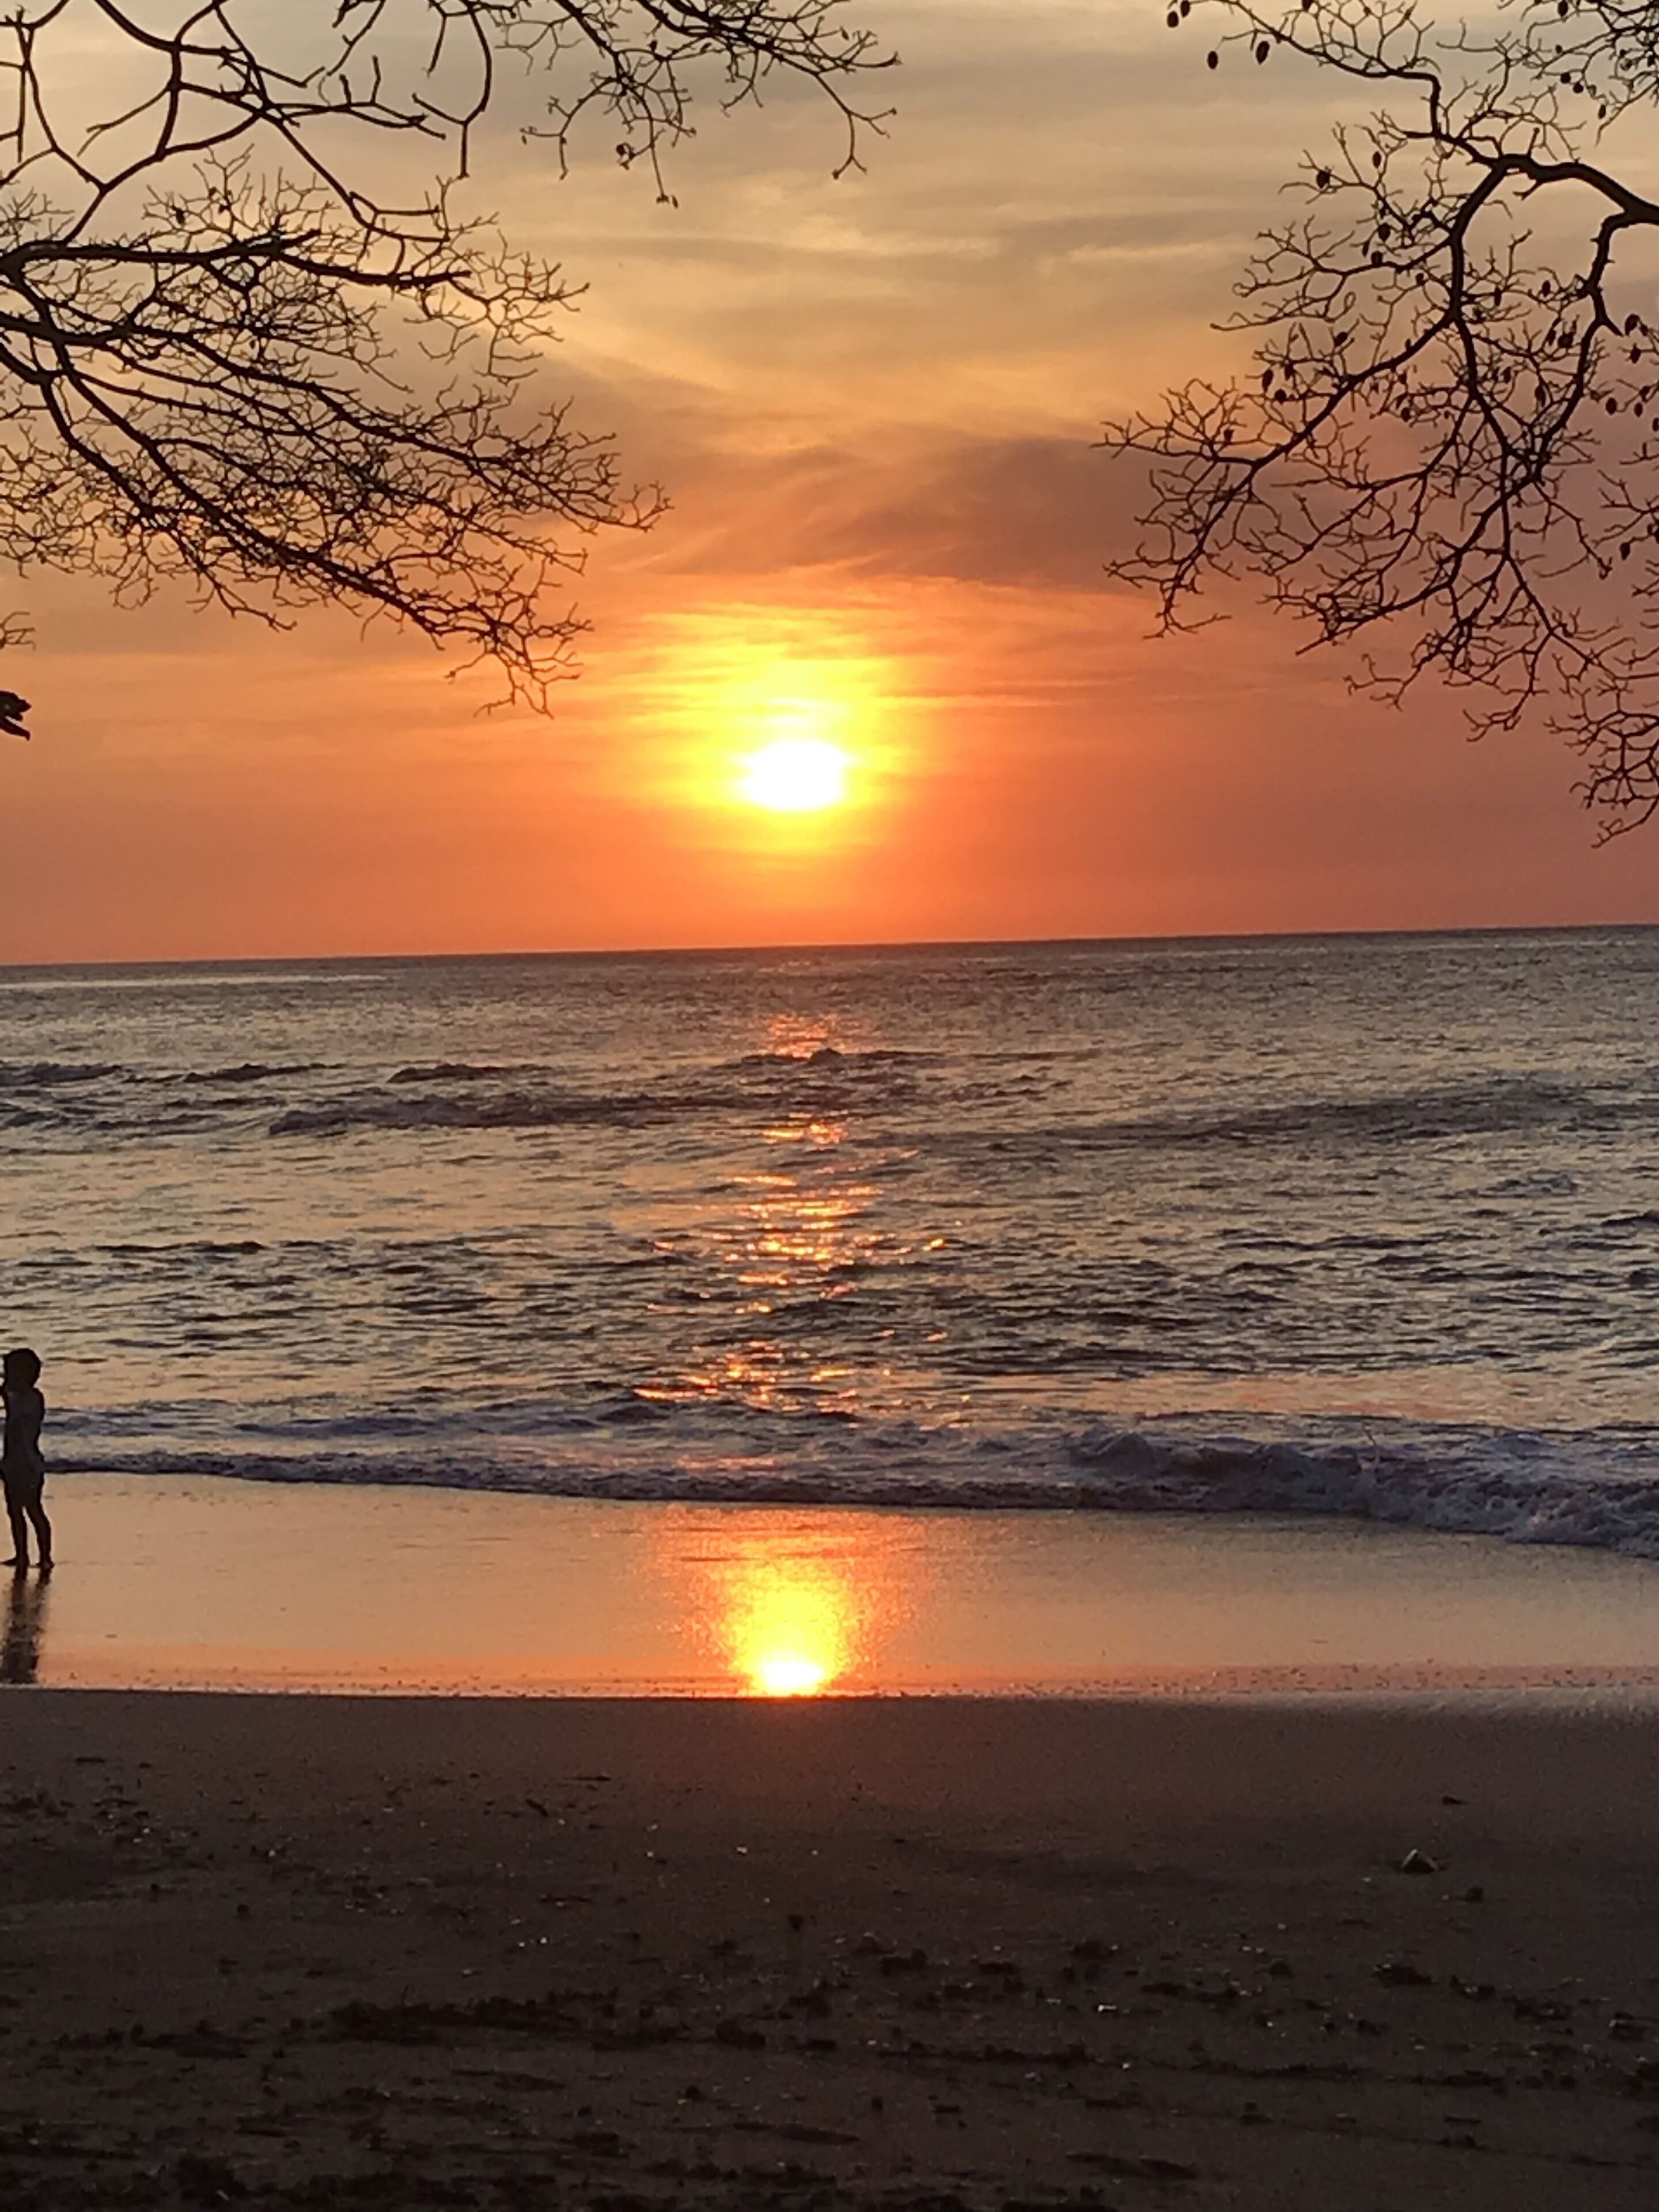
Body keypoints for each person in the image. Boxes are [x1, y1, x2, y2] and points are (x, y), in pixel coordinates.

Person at [2, 1346, 51, 1572]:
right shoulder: (15, 1396)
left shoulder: (32, 1398)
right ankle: (21, 1554)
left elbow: (16, 1411)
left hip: (29, 1464)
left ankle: (45, 1556)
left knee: (33, 1509)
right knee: (14, 1510)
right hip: (11, 1463)